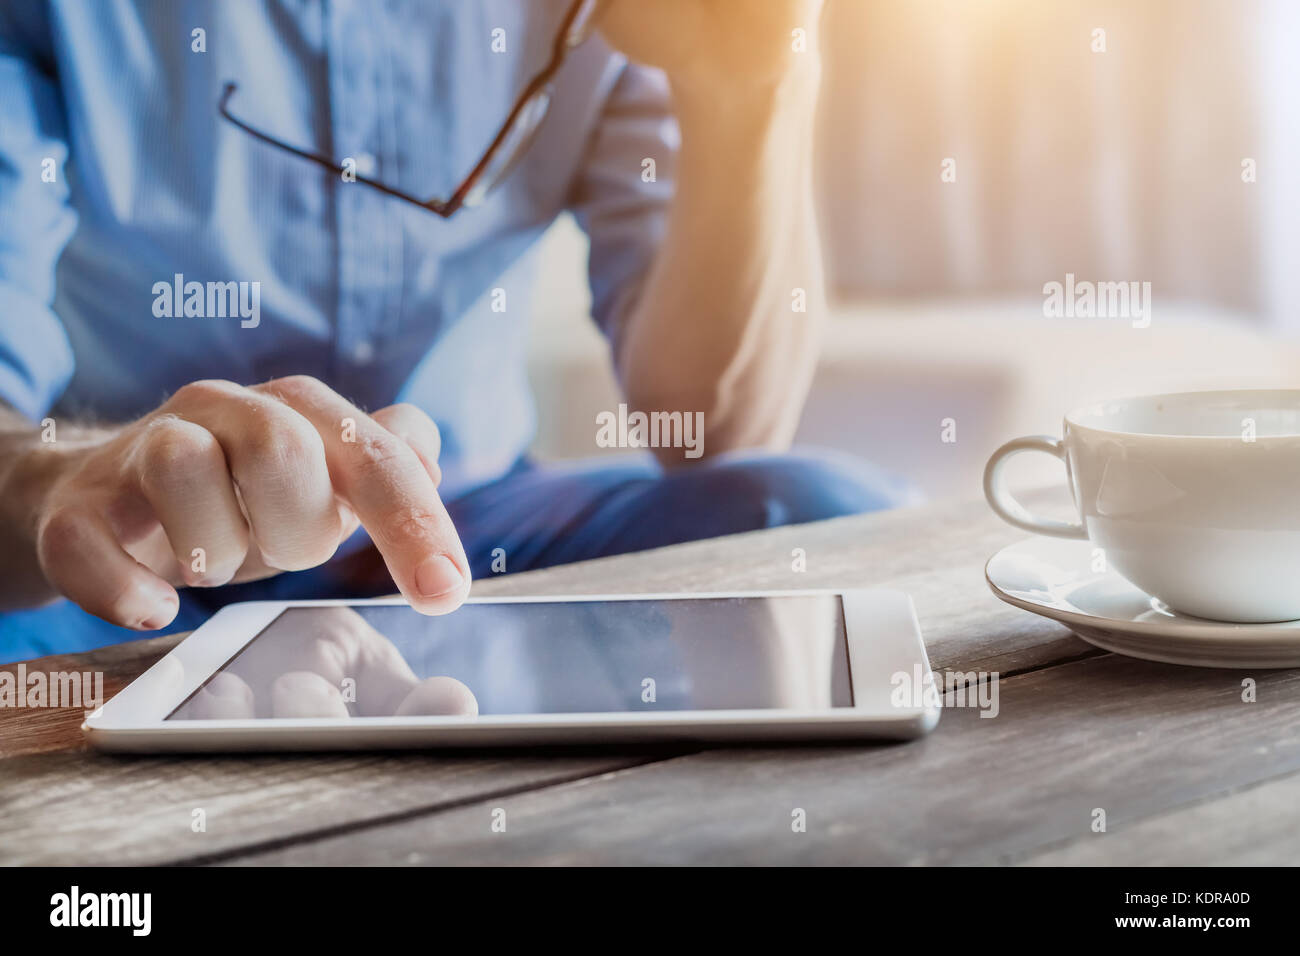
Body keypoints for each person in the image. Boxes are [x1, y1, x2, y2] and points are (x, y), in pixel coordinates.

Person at [0, 0, 916, 662]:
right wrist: (53, 487)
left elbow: (716, 431)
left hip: (477, 532)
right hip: (140, 542)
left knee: (822, 523)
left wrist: (751, 80)